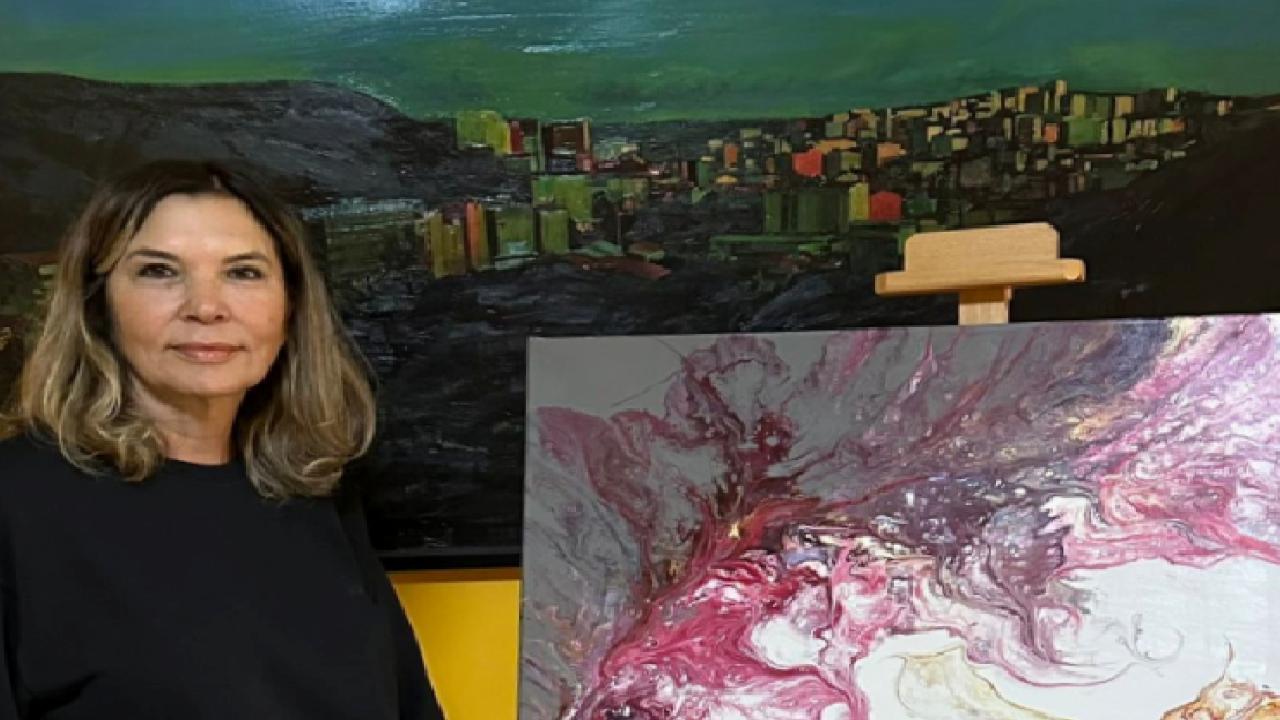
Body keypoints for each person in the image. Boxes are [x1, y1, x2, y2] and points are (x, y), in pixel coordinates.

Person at [0, 160, 444, 719]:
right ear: (98, 306)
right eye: (159, 271)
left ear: (290, 307)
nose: (206, 308)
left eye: (244, 273)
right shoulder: (16, 501)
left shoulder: (314, 495)